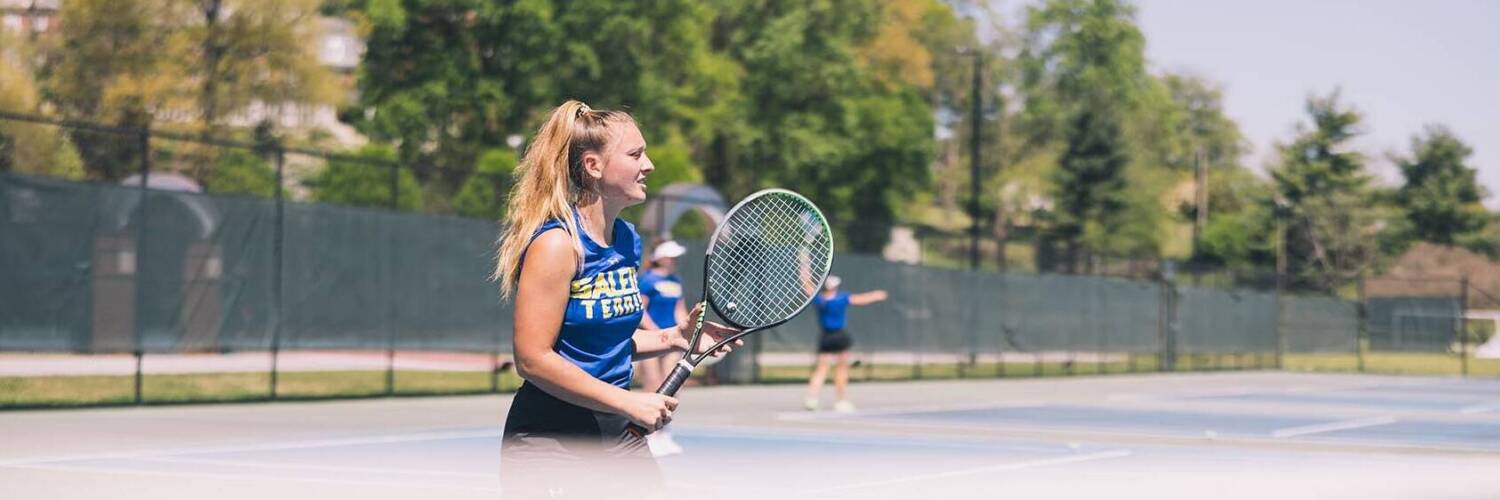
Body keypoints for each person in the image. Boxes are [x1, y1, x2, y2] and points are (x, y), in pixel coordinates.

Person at [492, 100, 739, 497]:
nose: (650, 165)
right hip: (552, 441)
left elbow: (606, 346)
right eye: (636, 154)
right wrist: (627, 402)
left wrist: (675, 336)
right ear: (593, 166)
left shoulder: (626, 240)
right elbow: (532, 358)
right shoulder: (558, 245)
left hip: (617, 435)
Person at [635, 239, 690, 457]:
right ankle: (649, 435)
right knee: (653, 384)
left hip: (672, 341)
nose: (674, 260)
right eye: (671, 256)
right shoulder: (647, 280)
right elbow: (641, 310)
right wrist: (658, 332)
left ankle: (664, 432)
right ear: (660, 257)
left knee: (672, 387)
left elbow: (680, 310)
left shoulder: (676, 281)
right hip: (652, 338)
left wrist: (685, 332)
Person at [804, 275, 887, 412]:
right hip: (839, 337)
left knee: (821, 370)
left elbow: (807, 286)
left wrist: (805, 269)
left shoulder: (819, 300)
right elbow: (861, 300)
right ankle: (841, 401)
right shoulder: (841, 298)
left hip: (825, 337)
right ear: (835, 287)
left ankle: (812, 399)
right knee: (841, 370)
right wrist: (876, 295)